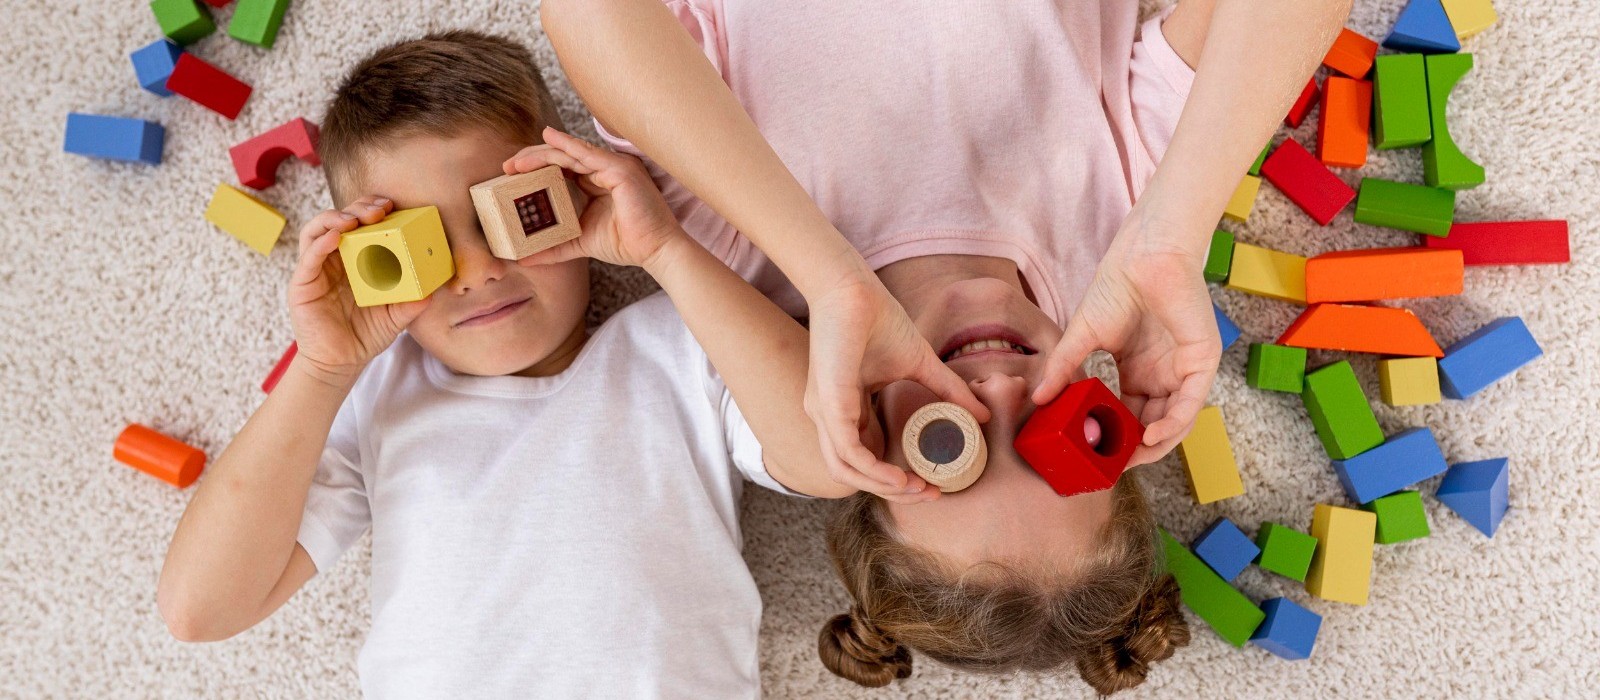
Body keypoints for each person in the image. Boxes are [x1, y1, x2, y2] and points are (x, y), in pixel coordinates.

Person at [538, 0, 1351, 692]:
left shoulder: (743, 235)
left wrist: (830, 278)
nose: (999, 390)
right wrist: (1173, 237)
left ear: (861, 435)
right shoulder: (1123, 224)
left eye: (947, 446)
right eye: (1052, 438)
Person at [157, 31, 851, 698]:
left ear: (577, 195)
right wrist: (322, 370)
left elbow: (828, 455)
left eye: (509, 216)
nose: (478, 271)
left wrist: (665, 250)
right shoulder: (381, 393)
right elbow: (201, 609)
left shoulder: (677, 344)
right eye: (420, 245)